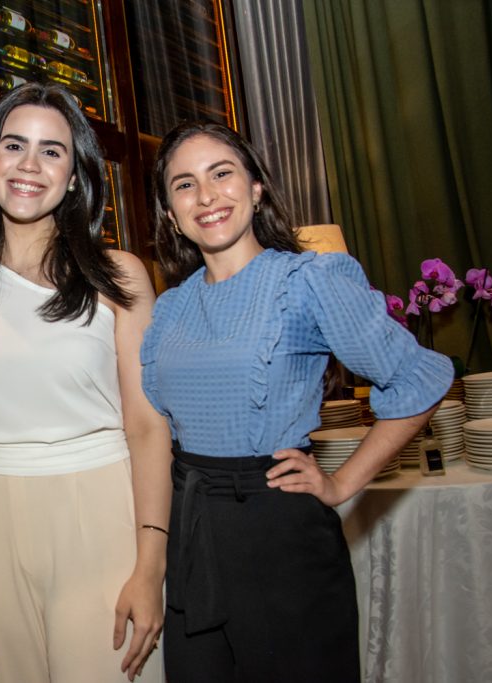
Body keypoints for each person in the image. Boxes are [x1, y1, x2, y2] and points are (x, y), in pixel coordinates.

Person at [142, 119, 454, 682]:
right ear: (169, 210)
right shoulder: (170, 309)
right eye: (184, 184)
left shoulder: (308, 280)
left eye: (222, 174)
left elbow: (418, 379)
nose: (206, 196)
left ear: (256, 187)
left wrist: (341, 482)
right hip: (192, 528)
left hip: (278, 528)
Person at [0, 82, 170, 683]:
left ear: (75, 175)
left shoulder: (119, 277)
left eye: (52, 151)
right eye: (14, 145)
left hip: (98, 513)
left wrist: (150, 565)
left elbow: (146, 427)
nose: (29, 165)